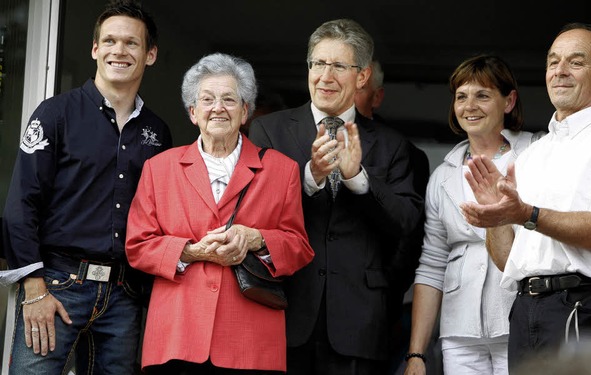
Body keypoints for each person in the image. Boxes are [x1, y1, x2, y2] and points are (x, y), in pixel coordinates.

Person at [0, 0, 172, 373]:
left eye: (131, 43)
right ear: (95, 49)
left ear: (151, 54)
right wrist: (34, 288)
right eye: (109, 41)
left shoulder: (157, 133)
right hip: (55, 285)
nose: (119, 51)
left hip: (125, 295)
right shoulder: (55, 113)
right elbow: (21, 206)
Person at [460, 23, 591, 373]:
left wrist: (527, 213)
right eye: (553, 62)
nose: (559, 71)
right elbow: (507, 259)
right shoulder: (531, 154)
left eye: (575, 62)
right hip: (525, 308)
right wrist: (496, 217)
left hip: (584, 304)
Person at [249, 18, 423, 375]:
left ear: (362, 76)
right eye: (318, 64)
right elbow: (252, 209)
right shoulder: (269, 129)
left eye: (339, 66)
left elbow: (405, 223)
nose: (325, 76)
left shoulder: (392, 145)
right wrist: (309, 177)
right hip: (284, 309)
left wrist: (357, 177)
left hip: (358, 320)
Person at [125, 52, 314, 374]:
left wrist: (254, 238)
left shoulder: (281, 170)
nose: (218, 108)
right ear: (193, 112)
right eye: (208, 99)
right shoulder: (160, 168)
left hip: (250, 340)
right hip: (177, 336)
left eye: (229, 99)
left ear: (245, 112)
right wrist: (191, 251)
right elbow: (138, 245)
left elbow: (299, 247)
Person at [405, 55, 544, 375]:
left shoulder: (536, 155)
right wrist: (417, 353)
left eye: (482, 95)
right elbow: (431, 265)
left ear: (509, 101)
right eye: (461, 96)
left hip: (520, 320)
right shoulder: (443, 175)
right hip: (459, 331)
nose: (470, 106)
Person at [353, 58, 435, 375]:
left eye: (358, 87)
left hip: (373, 301)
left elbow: (411, 232)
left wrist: (388, 285)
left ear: (377, 96)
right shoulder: (305, 139)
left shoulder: (402, 150)